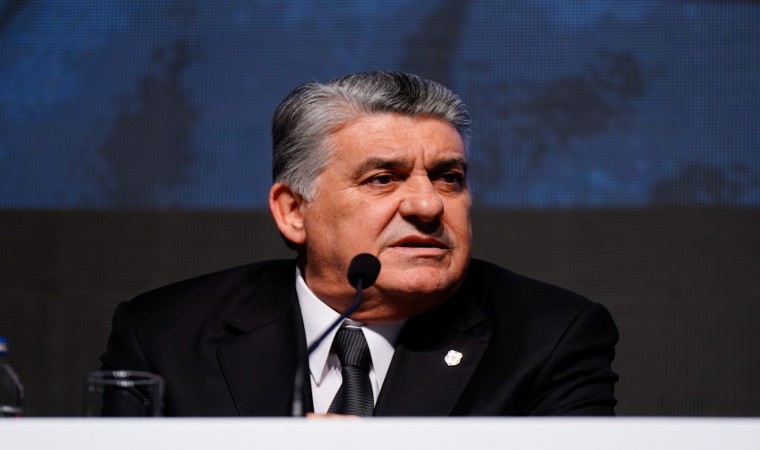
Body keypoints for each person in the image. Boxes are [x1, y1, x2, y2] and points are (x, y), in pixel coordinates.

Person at [100, 71, 618, 416]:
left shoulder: (549, 336)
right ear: (293, 211)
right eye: (382, 179)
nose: (428, 205)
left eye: (449, 178)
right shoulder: (165, 334)